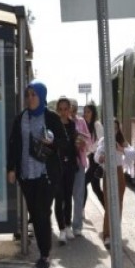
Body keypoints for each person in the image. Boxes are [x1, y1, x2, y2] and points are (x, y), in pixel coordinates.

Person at [7, 80, 66, 268]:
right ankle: (44, 254)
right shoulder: (20, 119)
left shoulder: (51, 117)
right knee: (35, 212)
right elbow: (14, 144)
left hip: (45, 174)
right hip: (26, 175)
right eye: (28, 95)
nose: (30, 98)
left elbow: (65, 144)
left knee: (42, 213)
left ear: (41, 96)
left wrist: (52, 141)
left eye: (34, 95)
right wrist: (11, 168)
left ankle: (45, 257)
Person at [95, 119, 135, 247]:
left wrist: (121, 149)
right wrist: (101, 158)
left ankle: (115, 234)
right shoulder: (103, 141)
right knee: (108, 204)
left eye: (115, 128)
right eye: (110, 128)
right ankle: (107, 235)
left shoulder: (121, 141)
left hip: (118, 172)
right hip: (108, 172)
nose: (113, 130)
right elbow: (96, 157)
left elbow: (133, 154)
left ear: (118, 129)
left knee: (118, 204)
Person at [54, 97, 79, 244]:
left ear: (70, 110)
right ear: (58, 110)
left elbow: (73, 144)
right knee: (59, 197)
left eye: (66, 109)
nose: (63, 112)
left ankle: (68, 225)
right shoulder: (54, 124)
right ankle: (61, 229)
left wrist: (78, 143)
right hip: (57, 166)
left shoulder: (72, 125)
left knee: (68, 196)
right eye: (61, 109)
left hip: (70, 165)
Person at [69, 99, 90, 237]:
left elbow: (89, 139)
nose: (73, 112)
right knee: (64, 196)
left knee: (78, 195)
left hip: (79, 162)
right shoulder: (61, 121)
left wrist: (83, 142)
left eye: (75, 109)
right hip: (65, 163)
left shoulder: (81, 122)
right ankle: (64, 224)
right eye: (71, 109)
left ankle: (77, 226)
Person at [83, 103, 104, 209]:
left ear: (93, 113)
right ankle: (108, 210)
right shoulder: (87, 126)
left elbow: (101, 142)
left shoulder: (97, 124)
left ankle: (80, 211)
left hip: (97, 160)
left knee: (83, 183)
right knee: (96, 188)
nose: (86, 114)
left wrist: (89, 148)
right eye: (85, 112)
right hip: (92, 158)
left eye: (88, 112)